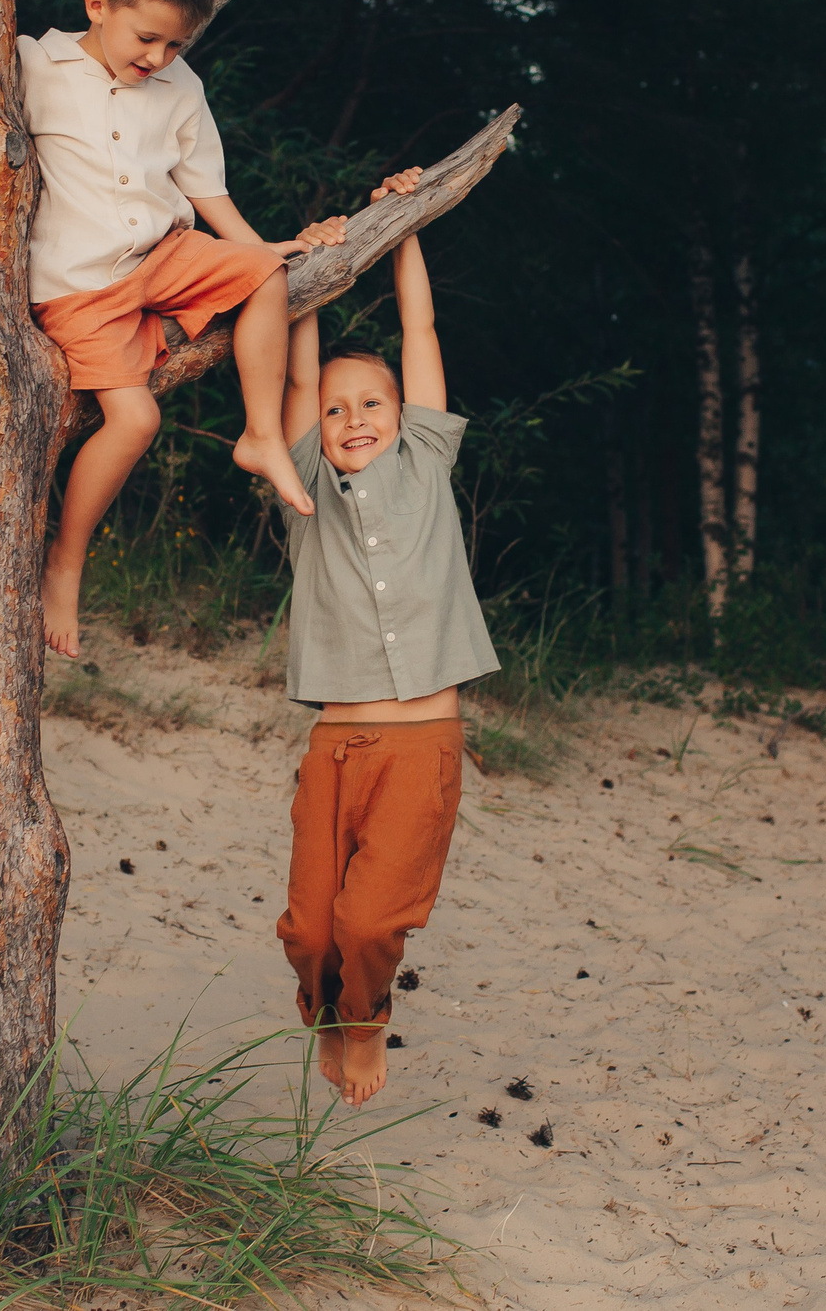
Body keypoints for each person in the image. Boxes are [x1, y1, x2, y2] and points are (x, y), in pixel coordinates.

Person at [23, 0, 345, 657]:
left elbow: (207, 194)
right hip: (79, 285)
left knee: (266, 271)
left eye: (178, 43)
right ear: (96, 5)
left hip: (163, 255)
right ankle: (66, 562)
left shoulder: (181, 87)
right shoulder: (35, 64)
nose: (160, 56)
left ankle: (260, 434)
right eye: (148, 38)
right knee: (135, 422)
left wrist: (262, 250)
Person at [274, 169, 500, 1106]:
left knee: (371, 919)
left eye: (370, 404)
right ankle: (326, 1011)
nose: (353, 419)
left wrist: (397, 226)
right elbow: (294, 371)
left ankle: (364, 1023)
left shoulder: (427, 463)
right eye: (335, 411)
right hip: (336, 742)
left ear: (402, 415)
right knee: (310, 931)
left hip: (420, 743)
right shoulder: (301, 492)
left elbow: (420, 331)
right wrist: (314, 273)